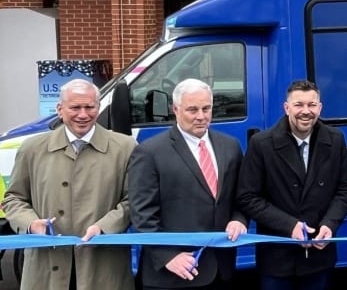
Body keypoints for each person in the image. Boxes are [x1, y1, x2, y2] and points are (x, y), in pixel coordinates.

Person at [2, 79, 136, 289]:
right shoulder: (32, 148)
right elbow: (14, 198)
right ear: (60, 109)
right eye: (75, 107)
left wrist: (104, 227)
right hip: (45, 269)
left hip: (104, 267)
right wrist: (30, 224)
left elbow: (133, 201)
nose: (83, 114)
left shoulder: (125, 147)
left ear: (98, 107)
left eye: (89, 107)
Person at [128, 78, 248, 290]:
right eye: (192, 110)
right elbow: (142, 214)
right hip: (173, 274)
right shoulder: (149, 152)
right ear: (175, 109)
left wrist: (239, 220)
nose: (201, 116)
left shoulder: (230, 146)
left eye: (206, 109)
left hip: (221, 269)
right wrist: (167, 256)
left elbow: (242, 196)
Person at [237, 80, 347, 289]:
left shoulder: (335, 139)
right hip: (277, 260)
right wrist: (289, 226)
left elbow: (344, 189)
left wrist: (330, 224)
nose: (306, 111)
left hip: (319, 257)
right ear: (287, 107)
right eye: (299, 104)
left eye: (311, 105)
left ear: (320, 108)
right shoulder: (261, 144)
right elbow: (248, 197)